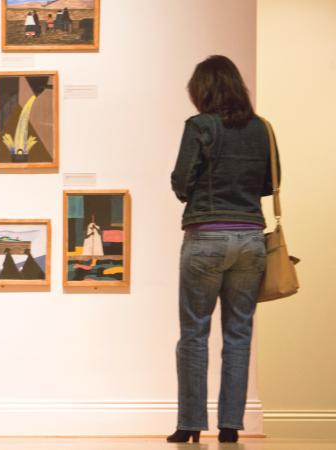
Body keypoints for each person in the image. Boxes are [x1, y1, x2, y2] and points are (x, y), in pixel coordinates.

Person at [167, 55, 278, 444]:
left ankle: (190, 425)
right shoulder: (262, 129)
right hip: (250, 239)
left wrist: (196, 188)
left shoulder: (199, 126)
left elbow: (182, 182)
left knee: (195, 333)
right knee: (239, 333)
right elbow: (268, 184)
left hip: (206, 238)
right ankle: (229, 426)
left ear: (203, 90)